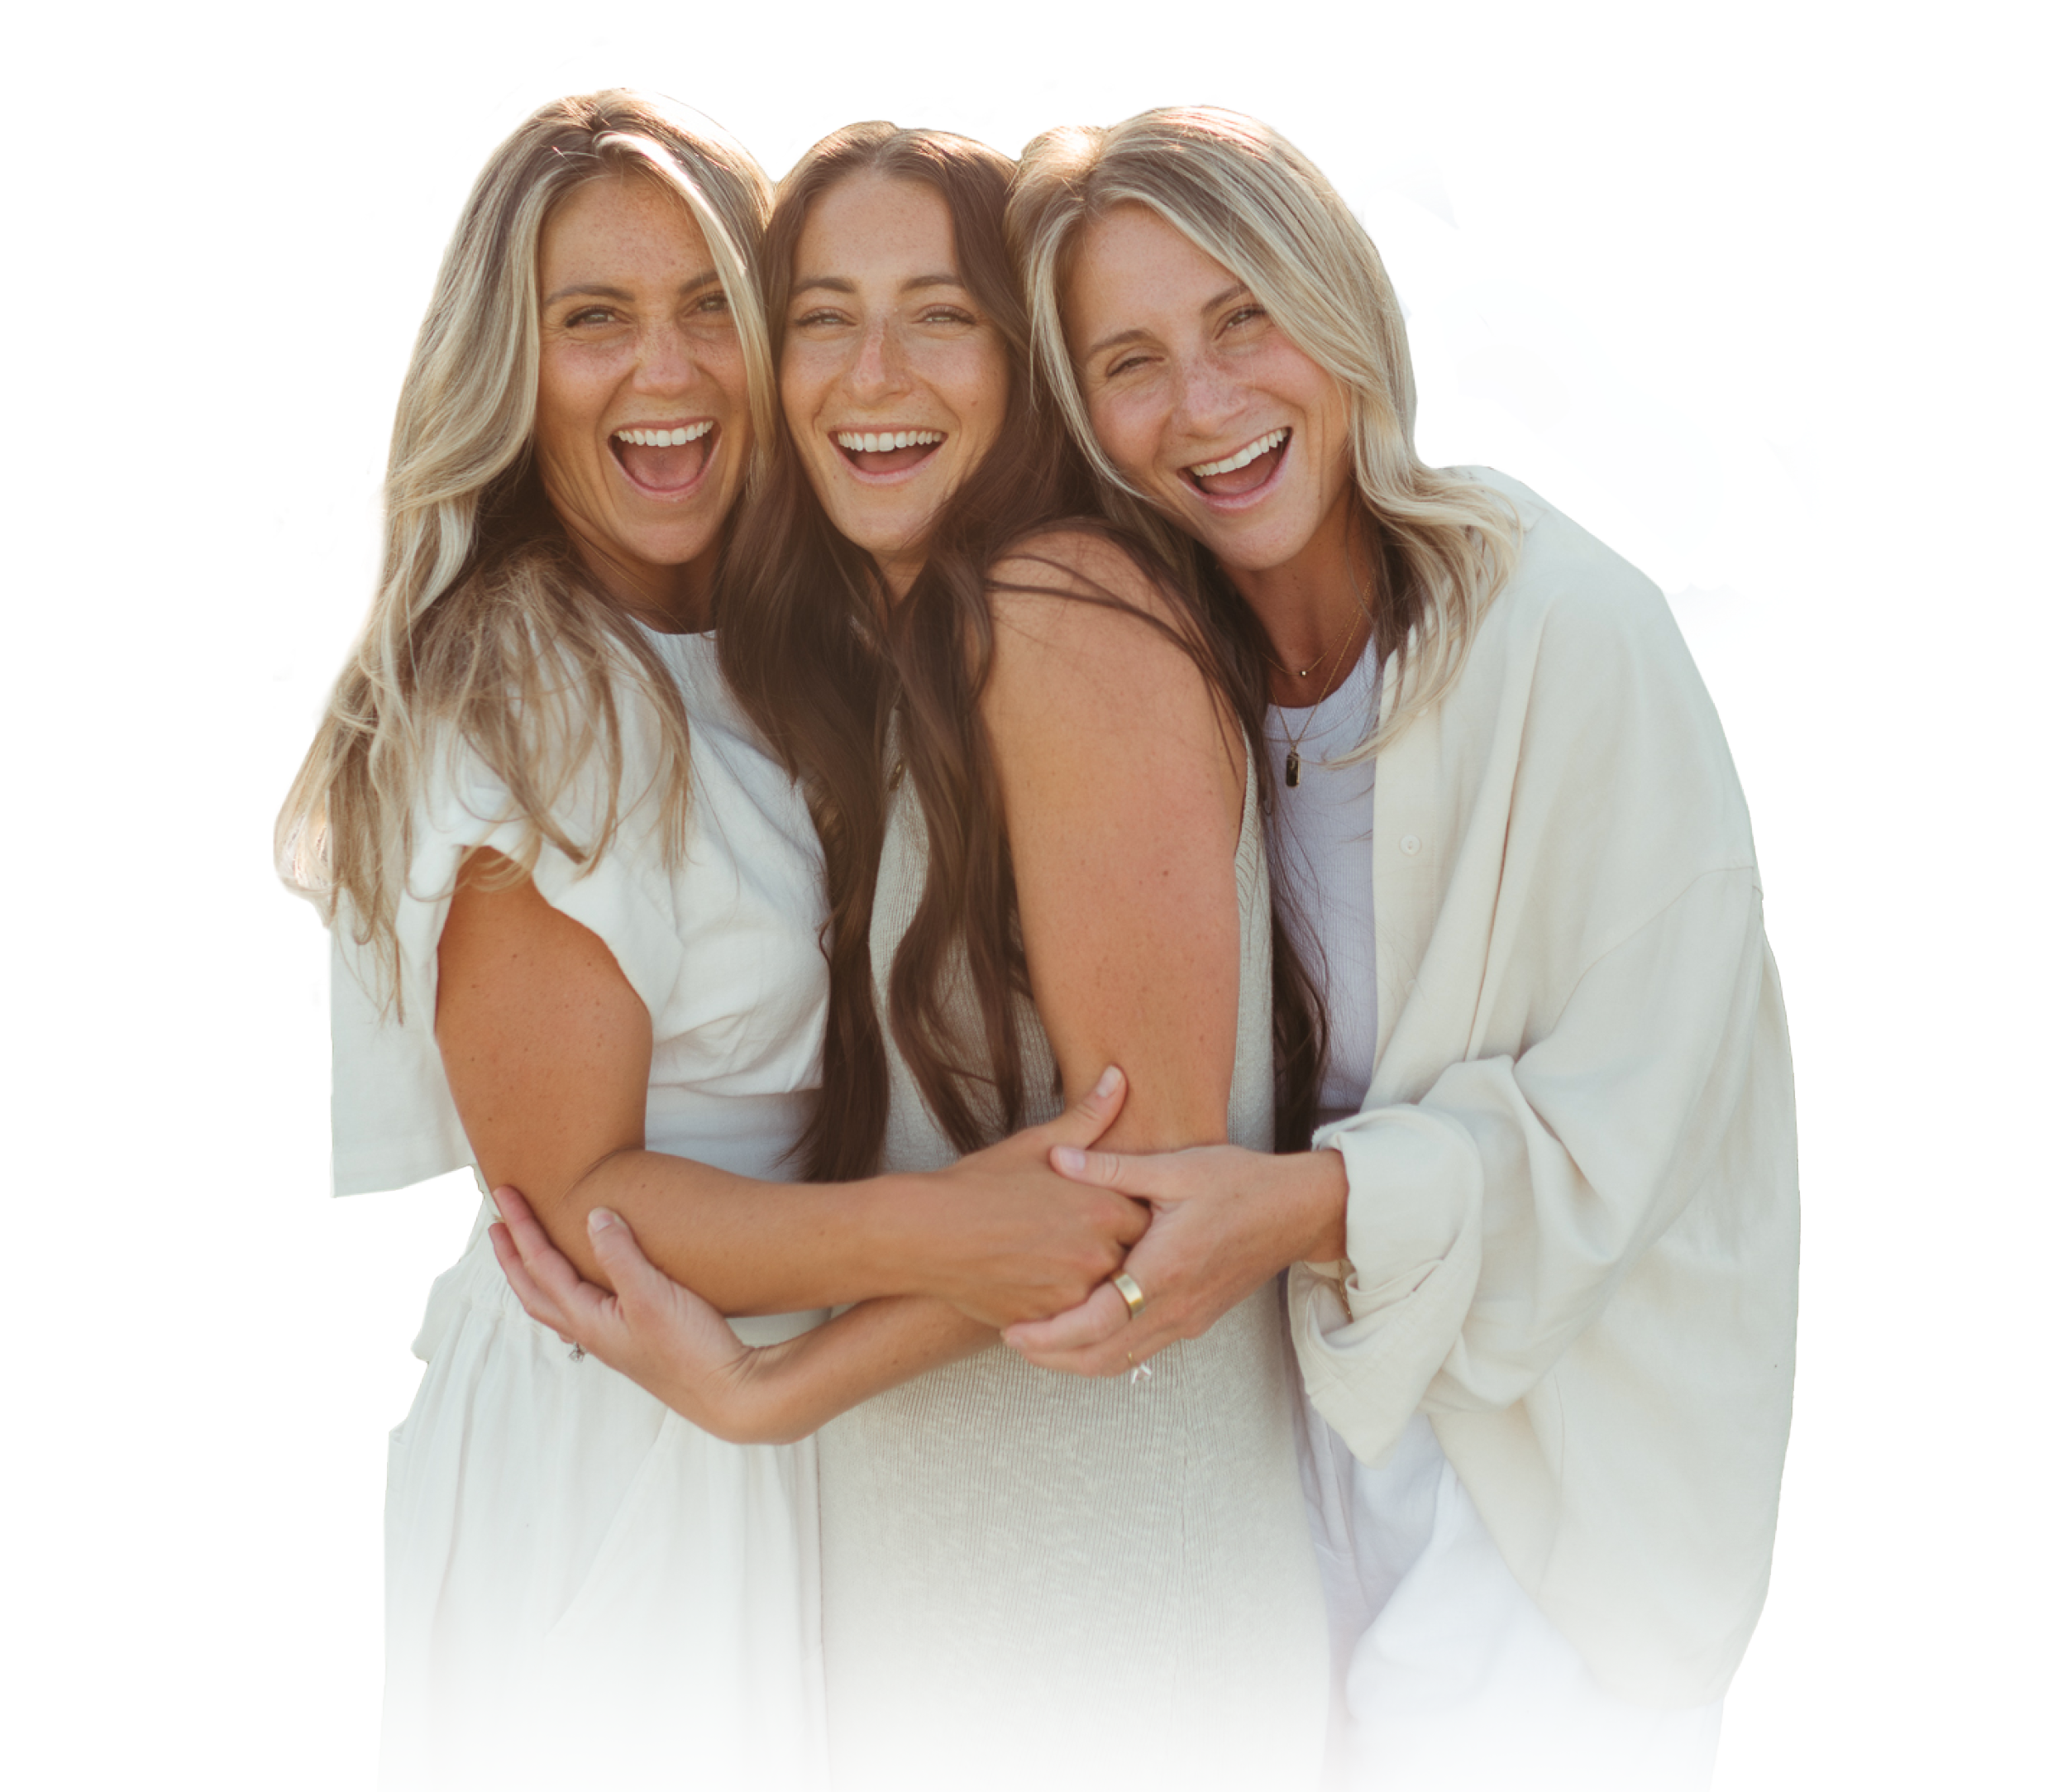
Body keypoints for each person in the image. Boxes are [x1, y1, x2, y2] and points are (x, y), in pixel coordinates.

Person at [273, 91, 1148, 1792]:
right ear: (507, 371)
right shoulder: (530, 685)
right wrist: (955, 1237)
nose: (666, 374)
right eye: (592, 320)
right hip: (627, 1436)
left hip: (795, 1408)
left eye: (710, 312)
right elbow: (576, 1201)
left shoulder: (768, 652)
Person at [493, 120, 1330, 1790]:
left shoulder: (1055, 603)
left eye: (938, 315)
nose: (871, 372)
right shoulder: (903, 663)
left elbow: (1142, 1201)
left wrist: (770, 1394)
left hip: (1097, 1556)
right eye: (818, 314)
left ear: (1022, 367)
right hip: (945, 1554)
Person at [997, 104, 1800, 1790]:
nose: (1203, 408)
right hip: (1276, 1452)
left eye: (1241, 320)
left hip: (1544, 1486)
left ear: (1339, 307)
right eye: (1128, 361)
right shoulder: (1148, 678)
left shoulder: (1560, 634)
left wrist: (1298, 1207)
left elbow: (1630, 1117)